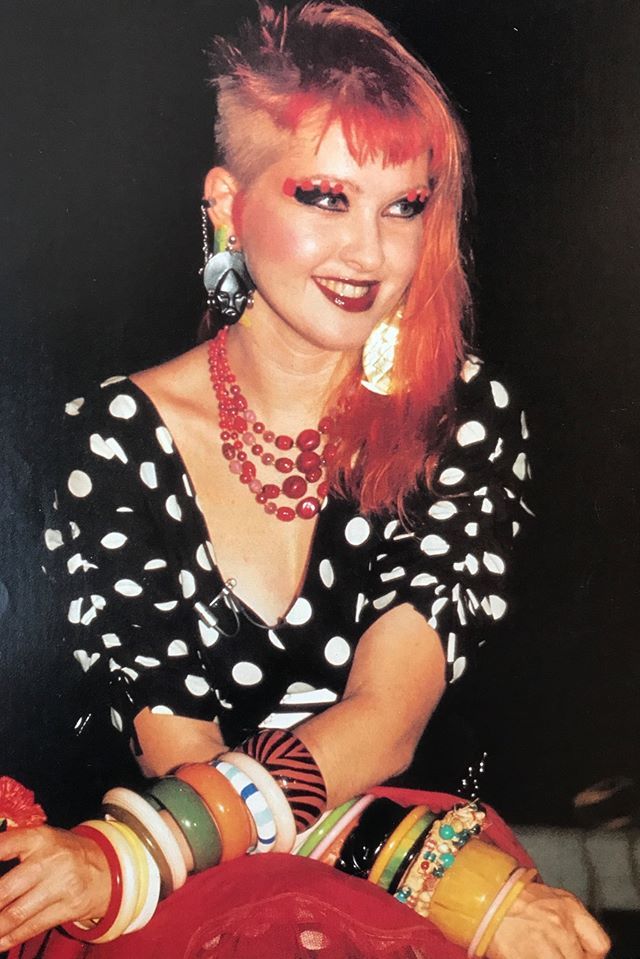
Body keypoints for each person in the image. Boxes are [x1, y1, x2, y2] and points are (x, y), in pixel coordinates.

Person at [0, 3, 610, 957]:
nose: (370, 253)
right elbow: (186, 759)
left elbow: (381, 728)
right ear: (225, 203)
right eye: (326, 196)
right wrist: (455, 886)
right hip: (187, 895)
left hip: (288, 857)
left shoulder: (463, 412)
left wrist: (133, 852)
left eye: (403, 205)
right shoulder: (113, 436)